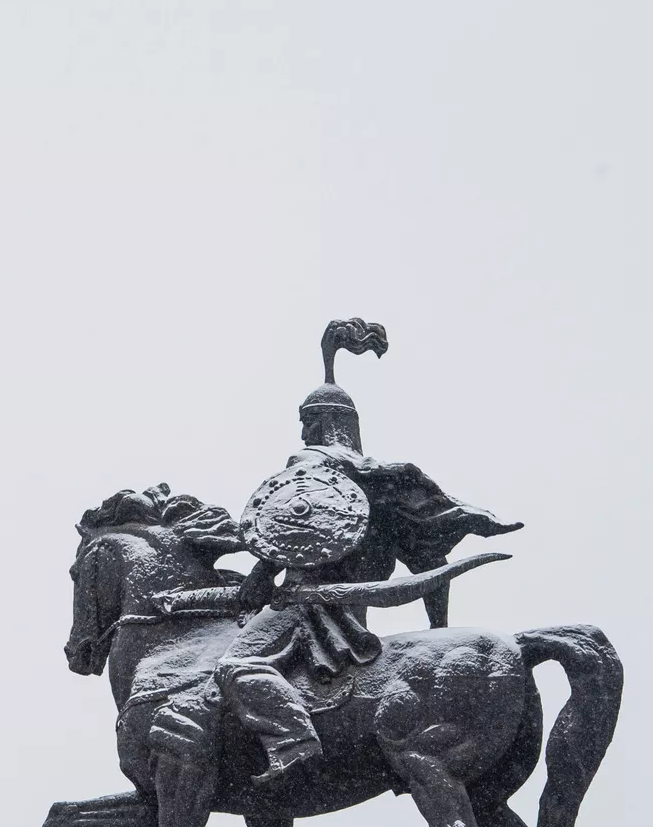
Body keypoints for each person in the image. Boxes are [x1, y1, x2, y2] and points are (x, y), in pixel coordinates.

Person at [218, 320, 523, 790]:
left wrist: (262, 571)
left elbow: (296, 532)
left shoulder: (309, 466)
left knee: (235, 666)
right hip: (353, 618)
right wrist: (439, 626)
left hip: (306, 610)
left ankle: (294, 742)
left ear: (320, 422)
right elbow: (422, 556)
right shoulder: (372, 483)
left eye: (306, 421)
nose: (302, 431)